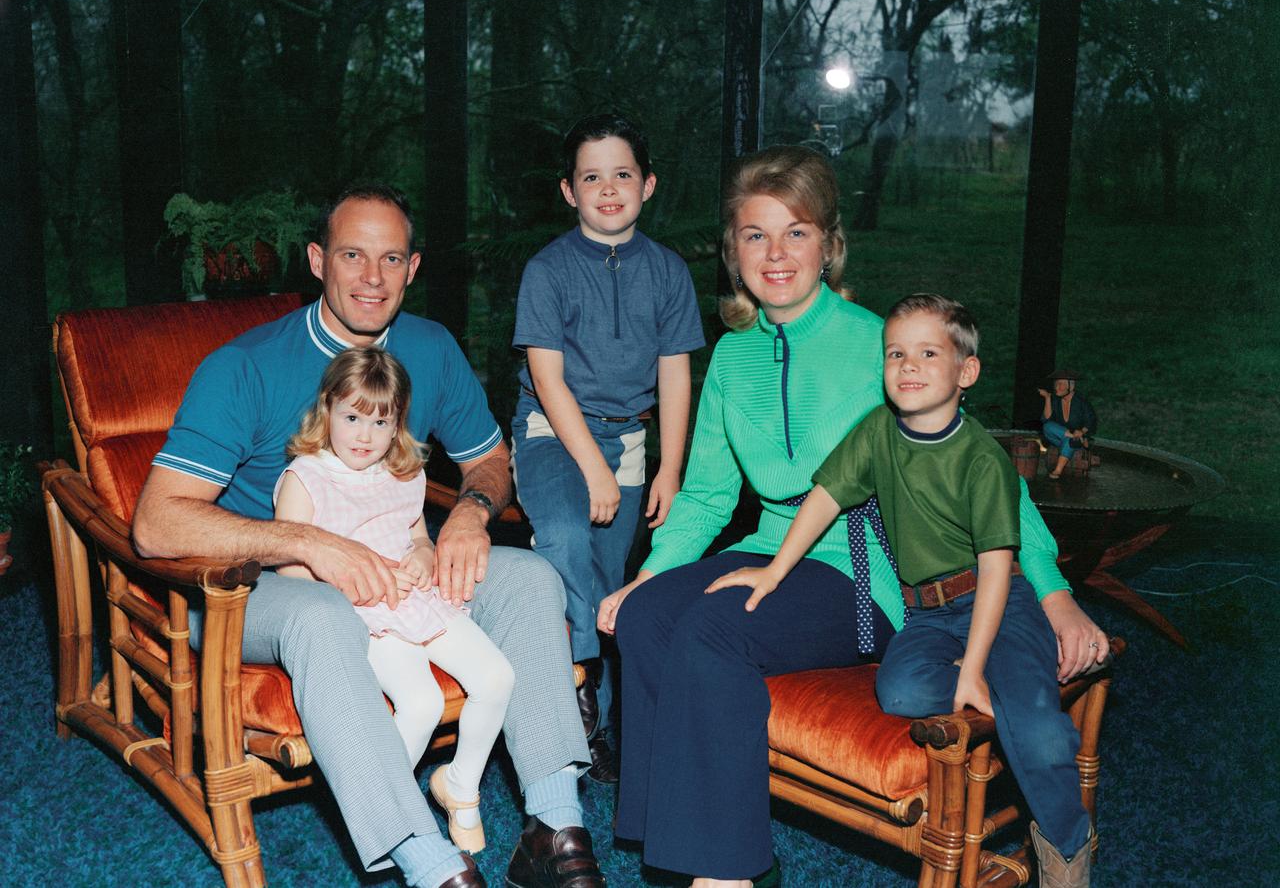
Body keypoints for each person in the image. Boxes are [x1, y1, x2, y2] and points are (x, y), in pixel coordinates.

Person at [597, 146, 1109, 888]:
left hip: (861, 574)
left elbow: (986, 475)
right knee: (647, 619)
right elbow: (708, 495)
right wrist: (645, 577)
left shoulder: (880, 345)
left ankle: (725, 875)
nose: (776, 254)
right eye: (755, 235)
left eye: (796, 232)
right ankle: (674, 852)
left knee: (713, 630)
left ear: (829, 245)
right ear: (731, 253)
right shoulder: (733, 359)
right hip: (773, 550)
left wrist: (1056, 596)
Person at [133, 183, 606, 888]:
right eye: (353, 255)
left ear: (412, 269)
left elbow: (487, 461)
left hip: (394, 569)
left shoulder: (430, 347)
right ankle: (429, 864)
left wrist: (472, 513)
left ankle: (553, 824)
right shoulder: (245, 365)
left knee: (531, 578)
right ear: (319, 260)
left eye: (391, 259)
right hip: (254, 592)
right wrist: (307, 542)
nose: (373, 277)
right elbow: (155, 522)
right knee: (324, 616)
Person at [709, 293, 1098, 887]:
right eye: (895, 354)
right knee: (902, 690)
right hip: (927, 615)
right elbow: (824, 499)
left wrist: (972, 664)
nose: (908, 366)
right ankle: (1015, 686)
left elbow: (997, 569)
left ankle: (1068, 843)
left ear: (966, 372)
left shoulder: (983, 460)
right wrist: (774, 569)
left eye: (926, 353)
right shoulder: (876, 433)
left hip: (998, 601)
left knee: (1039, 729)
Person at [511, 113, 704, 782]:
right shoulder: (548, 270)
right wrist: (591, 468)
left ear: (647, 185)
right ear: (569, 192)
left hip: (629, 438)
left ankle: (608, 728)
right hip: (553, 430)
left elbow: (675, 372)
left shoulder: (669, 271)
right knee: (564, 538)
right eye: (592, 177)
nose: (609, 188)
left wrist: (670, 469)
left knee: (611, 575)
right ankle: (578, 681)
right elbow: (546, 375)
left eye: (623, 173)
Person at [274, 345, 514, 855]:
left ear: (398, 423)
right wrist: (351, 582)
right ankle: (389, 810)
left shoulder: (404, 473)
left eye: (380, 423)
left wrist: (425, 556)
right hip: (362, 614)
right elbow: (290, 568)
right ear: (327, 411)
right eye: (352, 417)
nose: (365, 435)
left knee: (498, 677)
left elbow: (418, 537)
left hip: (418, 600)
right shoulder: (306, 477)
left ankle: (460, 786)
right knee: (422, 703)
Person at [1038, 368, 1098, 479]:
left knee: (1071, 441)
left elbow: (1091, 421)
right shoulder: (1056, 400)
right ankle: (1071, 436)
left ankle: (1058, 470)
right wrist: (1047, 398)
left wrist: (1082, 431)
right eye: (1056, 384)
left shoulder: (1081, 402)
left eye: (1060, 384)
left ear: (1071, 386)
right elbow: (1046, 420)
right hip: (1062, 438)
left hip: (1076, 440)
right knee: (1047, 426)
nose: (1057, 387)